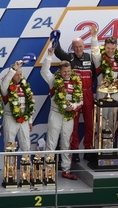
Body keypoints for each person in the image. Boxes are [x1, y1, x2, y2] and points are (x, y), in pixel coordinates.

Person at [40, 47, 83, 180]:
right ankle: (48, 171)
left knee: (66, 143)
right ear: (60, 71)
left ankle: (66, 169)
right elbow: (44, 71)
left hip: (69, 116)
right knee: (51, 143)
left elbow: (80, 100)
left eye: (69, 71)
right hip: (56, 114)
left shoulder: (75, 82)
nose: (67, 74)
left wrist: (74, 106)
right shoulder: (53, 80)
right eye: (64, 71)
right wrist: (49, 56)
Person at [54, 36, 96, 162]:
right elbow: (58, 51)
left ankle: (88, 149)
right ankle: (75, 151)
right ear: (72, 48)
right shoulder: (70, 58)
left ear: (84, 46)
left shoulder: (89, 58)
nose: (78, 49)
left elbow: (94, 75)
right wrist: (56, 39)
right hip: (75, 96)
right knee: (74, 125)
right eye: (76, 47)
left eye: (80, 46)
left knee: (90, 124)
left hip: (88, 94)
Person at [90, 25, 118, 132]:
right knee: (101, 123)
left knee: (113, 123)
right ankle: (99, 147)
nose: (110, 51)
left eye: (113, 48)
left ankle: (110, 148)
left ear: (116, 47)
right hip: (102, 93)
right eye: (108, 48)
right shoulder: (100, 59)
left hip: (116, 93)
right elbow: (95, 52)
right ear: (104, 46)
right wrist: (94, 37)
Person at [0, 60, 34, 152]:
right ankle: (10, 166)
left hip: (24, 119)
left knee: (26, 145)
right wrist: (13, 69)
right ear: (12, 75)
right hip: (10, 118)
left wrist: (30, 121)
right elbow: (4, 84)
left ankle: (27, 166)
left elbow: (29, 105)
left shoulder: (25, 86)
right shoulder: (6, 88)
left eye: (20, 74)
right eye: (16, 74)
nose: (19, 77)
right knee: (9, 146)